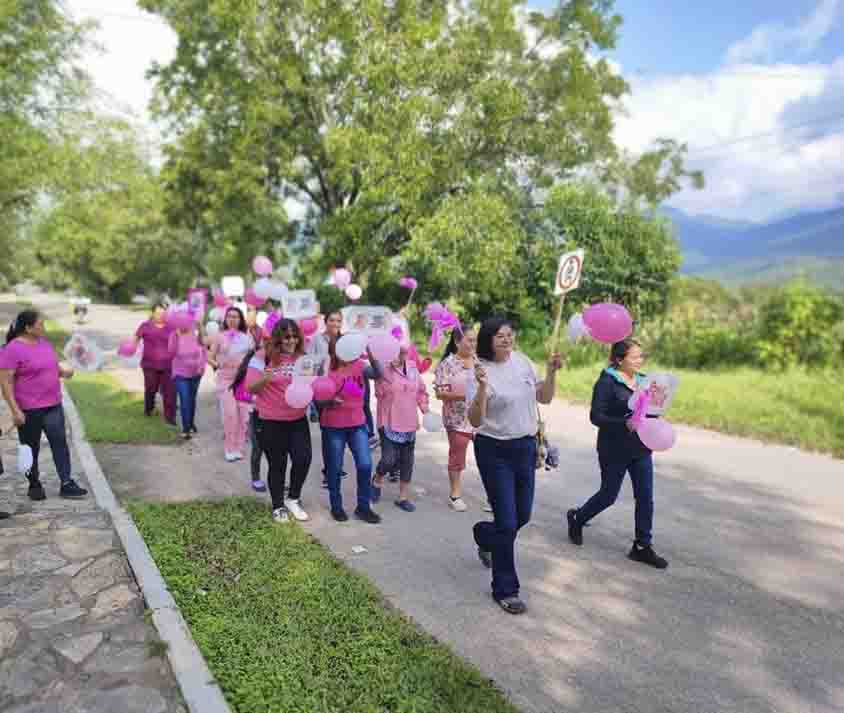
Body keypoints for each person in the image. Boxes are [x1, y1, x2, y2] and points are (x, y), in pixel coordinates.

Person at [467, 317, 562, 615]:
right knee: (507, 523)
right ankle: (506, 589)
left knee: (522, 516)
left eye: (509, 334)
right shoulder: (480, 370)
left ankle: (485, 535)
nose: (507, 339)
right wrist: (482, 387)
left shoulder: (523, 362)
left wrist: (551, 373)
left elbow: (544, 397)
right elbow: (475, 420)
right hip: (494, 450)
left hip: (525, 447)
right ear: (488, 340)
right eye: (500, 336)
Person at [566, 339, 668, 569]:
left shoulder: (645, 382)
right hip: (613, 448)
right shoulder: (607, 382)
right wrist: (624, 424)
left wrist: (658, 404)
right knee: (608, 495)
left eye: (641, 356)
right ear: (619, 360)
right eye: (635, 357)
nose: (640, 360)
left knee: (645, 497)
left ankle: (642, 546)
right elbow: (596, 417)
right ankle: (577, 518)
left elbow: (649, 413)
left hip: (640, 447)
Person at [0, 310, 88, 499]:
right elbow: (5, 383)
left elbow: (51, 367)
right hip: (29, 408)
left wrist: (64, 372)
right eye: (40, 324)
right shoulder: (12, 349)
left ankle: (66, 483)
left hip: (53, 405)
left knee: (60, 443)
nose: (44, 327)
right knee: (30, 448)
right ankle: (34, 484)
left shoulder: (45, 344)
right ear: (28, 328)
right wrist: (15, 410)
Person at [243, 319, 312, 523]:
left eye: (295, 336)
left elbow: (313, 385)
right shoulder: (262, 356)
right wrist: (265, 377)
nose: (291, 341)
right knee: (277, 464)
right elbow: (250, 387)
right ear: (278, 338)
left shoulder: (303, 357)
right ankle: (278, 506)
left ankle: (293, 498)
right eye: (286, 336)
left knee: (303, 459)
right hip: (270, 420)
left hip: (297, 419)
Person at [317, 337, 383, 524]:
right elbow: (317, 400)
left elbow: (378, 374)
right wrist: (330, 402)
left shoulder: (360, 365)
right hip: (333, 426)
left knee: (365, 465)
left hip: (357, 424)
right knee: (334, 468)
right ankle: (336, 507)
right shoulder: (325, 368)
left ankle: (363, 507)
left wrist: (371, 353)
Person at [371, 344, 430, 512]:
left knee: (406, 460)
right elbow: (379, 394)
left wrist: (424, 405)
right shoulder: (382, 370)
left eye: (403, 353)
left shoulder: (412, 369)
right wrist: (383, 374)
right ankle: (377, 478)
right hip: (388, 421)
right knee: (388, 460)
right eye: (396, 353)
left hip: (409, 421)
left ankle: (403, 497)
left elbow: (421, 391)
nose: (399, 356)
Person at [434, 325, 477, 512]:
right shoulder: (447, 364)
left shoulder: (479, 361)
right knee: (458, 456)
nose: (474, 344)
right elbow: (440, 393)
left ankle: (494, 496)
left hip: (481, 419)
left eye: (475, 340)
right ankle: (455, 494)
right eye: (470, 340)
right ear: (458, 341)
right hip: (457, 419)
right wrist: (465, 395)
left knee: (489, 457)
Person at [208, 307, 252, 462]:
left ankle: (238, 447)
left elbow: (252, 357)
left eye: (236, 317)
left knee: (243, 415)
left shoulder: (247, 338)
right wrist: (217, 364)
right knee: (230, 414)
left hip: (242, 381)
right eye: (230, 316)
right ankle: (229, 448)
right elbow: (210, 356)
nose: (233, 319)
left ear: (240, 320)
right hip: (225, 381)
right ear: (225, 319)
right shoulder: (219, 337)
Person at [134, 303, 177, 425]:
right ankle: (149, 409)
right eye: (158, 313)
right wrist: (131, 348)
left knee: (170, 392)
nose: (160, 316)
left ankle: (170, 418)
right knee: (150, 389)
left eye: (163, 314)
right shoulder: (145, 326)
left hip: (168, 365)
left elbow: (180, 340)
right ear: (152, 313)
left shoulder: (172, 327)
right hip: (149, 365)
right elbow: (135, 339)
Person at [168, 321, 207, 440]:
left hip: (196, 373)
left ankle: (190, 423)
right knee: (184, 399)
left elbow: (203, 350)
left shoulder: (196, 331)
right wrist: (177, 336)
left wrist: (202, 367)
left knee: (191, 399)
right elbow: (171, 352)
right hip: (180, 373)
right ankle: (186, 429)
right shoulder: (174, 334)